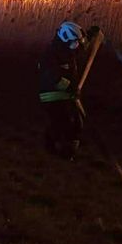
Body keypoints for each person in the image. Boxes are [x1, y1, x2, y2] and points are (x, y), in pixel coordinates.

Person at [37, 21, 100, 160]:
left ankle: (56, 150)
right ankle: (64, 154)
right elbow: (53, 78)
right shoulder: (51, 55)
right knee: (66, 123)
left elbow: (81, 47)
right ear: (65, 39)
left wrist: (91, 34)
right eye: (74, 43)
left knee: (73, 123)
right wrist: (71, 88)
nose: (76, 46)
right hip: (51, 96)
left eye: (77, 43)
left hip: (66, 94)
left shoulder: (67, 49)